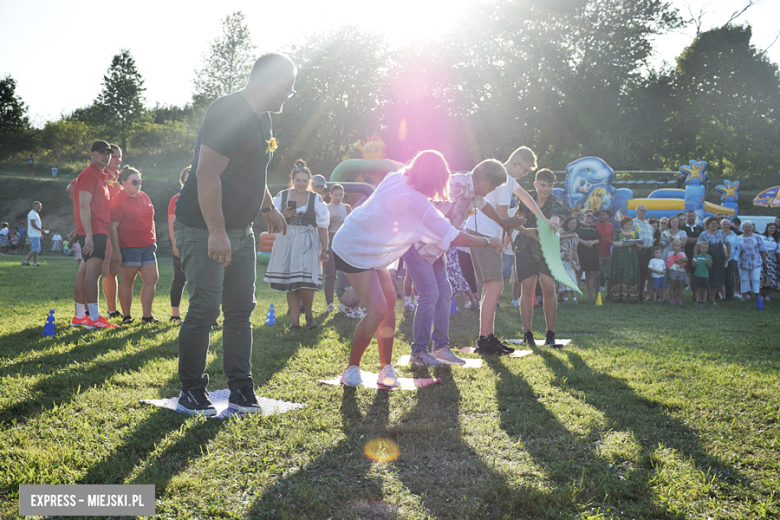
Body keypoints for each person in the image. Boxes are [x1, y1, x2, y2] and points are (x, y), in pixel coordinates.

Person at [173, 52, 294, 415]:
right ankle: (191, 389)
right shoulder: (228, 112)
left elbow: (255, 172)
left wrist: (268, 208)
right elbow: (207, 173)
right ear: (266, 83)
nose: (290, 94)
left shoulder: (264, 121)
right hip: (203, 226)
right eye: (286, 86)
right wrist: (217, 231)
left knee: (241, 309)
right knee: (206, 308)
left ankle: (241, 388)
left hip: (241, 230)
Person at [332, 150, 503, 387]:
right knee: (378, 310)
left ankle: (386, 368)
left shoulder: (397, 176)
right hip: (353, 249)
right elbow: (453, 236)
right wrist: (488, 241)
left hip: (370, 249)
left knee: (389, 303)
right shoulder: (417, 203)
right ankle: (351, 369)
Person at [404, 158, 522, 363]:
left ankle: (440, 347)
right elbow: (448, 230)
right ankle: (419, 352)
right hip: (418, 246)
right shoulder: (455, 187)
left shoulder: (473, 192)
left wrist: (502, 222)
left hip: (435, 248)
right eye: (493, 187)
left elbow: (484, 206)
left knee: (445, 293)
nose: (491, 191)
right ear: (484, 183)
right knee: (429, 294)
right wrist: (487, 241)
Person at [464, 146, 557, 352]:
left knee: (490, 286)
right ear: (516, 164)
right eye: (524, 170)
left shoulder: (505, 177)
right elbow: (505, 217)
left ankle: (486, 336)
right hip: (485, 233)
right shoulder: (503, 181)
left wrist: (542, 219)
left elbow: (525, 197)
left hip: (480, 231)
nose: (524, 174)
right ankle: (486, 338)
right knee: (495, 285)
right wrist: (524, 230)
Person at [264, 159, 330, 329]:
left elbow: (323, 227)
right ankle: (295, 323)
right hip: (287, 241)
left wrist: (325, 250)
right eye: (298, 180)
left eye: (304, 181)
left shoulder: (315, 199)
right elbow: (271, 222)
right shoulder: (282, 196)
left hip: (308, 241)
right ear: (293, 180)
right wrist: (283, 215)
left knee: (306, 284)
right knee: (291, 284)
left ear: (309, 182)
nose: (301, 184)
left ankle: (308, 314)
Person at [67, 143, 124, 318]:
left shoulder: (101, 175)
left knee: (90, 271)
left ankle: (80, 316)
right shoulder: (90, 174)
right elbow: (83, 205)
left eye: (111, 154)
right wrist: (86, 231)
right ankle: (91, 316)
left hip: (100, 228)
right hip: (95, 229)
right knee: (91, 273)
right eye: (105, 154)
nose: (108, 157)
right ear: (92, 154)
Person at [511, 168, 567, 346]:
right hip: (525, 247)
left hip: (546, 250)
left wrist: (553, 223)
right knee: (527, 290)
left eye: (550, 185)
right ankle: (527, 333)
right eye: (543, 185)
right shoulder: (525, 199)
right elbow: (515, 222)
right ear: (536, 184)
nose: (546, 189)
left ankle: (550, 334)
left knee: (549, 289)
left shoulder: (555, 202)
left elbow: (556, 220)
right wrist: (528, 232)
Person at [109, 167, 159, 325]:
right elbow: (112, 228)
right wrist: (117, 252)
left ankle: (147, 317)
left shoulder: (144, 196)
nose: (138, 185)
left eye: (140, 181)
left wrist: (154, 238)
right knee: (128, 281)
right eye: (135, 182)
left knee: (152, 278)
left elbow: (152, 219)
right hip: (129, 247)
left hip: (148, 246)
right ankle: (127, 317)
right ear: (123, 183)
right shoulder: (118, 200)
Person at [323, 183, 352, 312]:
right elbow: (321, 227)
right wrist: (330, 219)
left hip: (343, 241)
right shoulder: (326, 208)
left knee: (347, 272)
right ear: (330, 195)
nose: (338, 197)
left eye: (341, 195)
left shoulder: (346, 208)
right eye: (336, 195)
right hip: (329, 239)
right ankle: (330, 303)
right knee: (331, 272)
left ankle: (347, 300)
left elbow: (351, 225)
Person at [168, 167, 190, 324]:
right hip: (182, 244)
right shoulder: (176, 199)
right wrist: (175, 245)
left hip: (201, 244)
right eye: (186, 178)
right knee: (179, 279)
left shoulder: (205, 196)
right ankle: (175, 314)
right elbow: (171, 224)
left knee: (203, 281)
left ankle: (204, 315)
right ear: (182, 180)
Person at [695, 216, 729, 304]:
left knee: (716, 279)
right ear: (708, 225)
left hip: (719, 259)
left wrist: (729, 254)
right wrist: (695, 256)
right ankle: (704, 297)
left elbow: (728, 243)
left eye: (715, 224)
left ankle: (713, 298)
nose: (714, 225)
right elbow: (697, 245)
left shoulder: (721, 233)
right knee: (706, 278)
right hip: (706, 258)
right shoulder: (703, 234)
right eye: (712, 224)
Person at [607, 216, 641, 302]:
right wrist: (626, 243)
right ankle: (618, 295)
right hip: (620, 258)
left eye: (630, 224)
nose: (628, 226)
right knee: (620, 274)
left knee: (630, 274)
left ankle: (630, 295)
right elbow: (614, 243)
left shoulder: (634, 233)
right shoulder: (618, 232)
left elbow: (638, 246)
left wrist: (638, 245)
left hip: (631, 258)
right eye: (626, 224)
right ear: (622, 224)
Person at [737, 220, 766, 301]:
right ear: (742, 228)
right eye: (745, 227)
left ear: (752, 228)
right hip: (743, 262)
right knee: (744, 279)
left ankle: (758, 296)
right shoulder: (738, 238)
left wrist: (764, 259)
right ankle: (744, 296)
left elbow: (762, 249)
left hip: (756, 261)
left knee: (756, 279)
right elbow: (736, 250)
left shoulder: (757, 237)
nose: (747, 229)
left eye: (749, 227)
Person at [576, 210, 600, 300]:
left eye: (591, 216)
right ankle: (576, 296)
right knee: (578, 273)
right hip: (580, 252)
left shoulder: (594, 228)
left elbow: (598, 239)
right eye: (588, 215)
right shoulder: (578, 225)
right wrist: (584, 242)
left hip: (592, 253)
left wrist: (592, 242)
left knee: (590, 274)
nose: (590, 217)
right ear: (583, 216)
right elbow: (574, 236)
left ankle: (590, 296)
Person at [633, 205, 654, 300]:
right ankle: (634, 293)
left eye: (645, 210)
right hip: (638, 251)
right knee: (637, 273)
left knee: (644, 273)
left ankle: (641, 294)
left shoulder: (649, 225)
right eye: (641, 210)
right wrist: (636, 243)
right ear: (636, 211)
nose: (643, 212)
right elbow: (629, 236)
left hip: (648, 251)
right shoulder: (632, 223)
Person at [558, 216, 581, 302]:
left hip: (569, 258)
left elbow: (575, 250)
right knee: (560, 278)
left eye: (574, 223)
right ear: (566, 224)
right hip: (559, 256)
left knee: (570, 276)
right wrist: (567, 236)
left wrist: (577, 262)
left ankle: (569, 297)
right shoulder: (561, 231)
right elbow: (555, 240)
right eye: (571, 223)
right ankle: (560, 295)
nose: (572, 225)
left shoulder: (576, 235)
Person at [22, 201, 48, 267]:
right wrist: (41, 230)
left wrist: (40, 233)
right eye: (38, 206)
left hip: (36, 234)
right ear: (34, 206)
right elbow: (33, 224)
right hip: (33, 234)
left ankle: (35, 263)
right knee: (35, 248)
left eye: (40, 207)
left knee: (36, 249)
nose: (40, 208)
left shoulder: (35, 213)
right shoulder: (32, 213)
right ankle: (26, 261)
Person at [594, 207, 614, 289]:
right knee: (597, 275)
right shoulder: (594, 226)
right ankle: (596, 294)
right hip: (596, 254)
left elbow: (611, 237)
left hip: (608, 254)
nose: (602, 216)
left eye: (604, 214)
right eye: (600, 215)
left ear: (607, 215)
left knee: (609, 275)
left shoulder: (610, 226)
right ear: (597, 216)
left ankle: (609, 294)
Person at [682, 210, 703, 283]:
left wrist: (688, 239)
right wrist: (696, 239)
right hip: (685, 253)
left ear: (695, 217)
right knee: (688, 272)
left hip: (698, 254)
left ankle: (696, 290)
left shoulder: (700, 229)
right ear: (686, 217)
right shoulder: (682, 228)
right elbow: (685, 240)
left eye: (692, 216)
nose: (691, 218)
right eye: (689, 216)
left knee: (696, 272)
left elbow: (701, 241)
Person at [722, 218, 740, 301]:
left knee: (729, 279)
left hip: (730, 259)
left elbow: (738, 248)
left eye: (727, 224)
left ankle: (729, 297)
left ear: (729, 225)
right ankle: (719, 296)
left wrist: (734, 259)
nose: (725, 226)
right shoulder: (717, 234)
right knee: (719, 278)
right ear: (720, 225)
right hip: (719, 260)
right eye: (724, 224)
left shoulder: (734, 235)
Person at [760, 222, 780, 299]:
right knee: (762, 277)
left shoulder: (776, 239)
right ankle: (761, 294)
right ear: (767, 228)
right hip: (763, 256)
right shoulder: (761, 237)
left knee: (772, 277)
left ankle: (768, 294)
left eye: (774, 228)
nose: (772, 229)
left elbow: (777, 250)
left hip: (773, 259)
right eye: (770, 228)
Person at [665, 240, 687, 304]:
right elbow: (670, 261)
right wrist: (679, 260)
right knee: (673, 285)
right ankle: (672, 299)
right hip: (673, 271)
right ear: (672, 246)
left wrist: (678, 260)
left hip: (681, 271)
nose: (677, 247)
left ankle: (679, 299)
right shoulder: (670, 253)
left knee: (680, 286)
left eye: (679, 246)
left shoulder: (683, 253)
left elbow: (685, 260)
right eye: (676, 245)